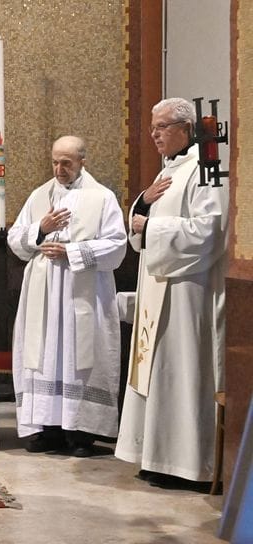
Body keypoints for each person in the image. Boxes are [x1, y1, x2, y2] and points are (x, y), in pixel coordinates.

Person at [116, 98, 229, 489]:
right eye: (152, 128)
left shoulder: (206, 170)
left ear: (185, 128)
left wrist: (150, 230)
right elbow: (140, 226)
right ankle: (158, 456)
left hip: (187, 292)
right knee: (159, 370)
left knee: (181, 371)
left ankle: (188, 463)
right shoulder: (172, 171)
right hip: (158, 289)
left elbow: (208, 231)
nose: (154, 135)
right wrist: (142, 206)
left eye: (162, 127)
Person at [8, 135, 127, 457]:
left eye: (67, 163)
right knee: (45, 355)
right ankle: (49, 429)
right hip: (43, 292)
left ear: (82, 161)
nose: (59, 169)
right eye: (55, 162)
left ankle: (82, 432)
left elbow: (117, 245)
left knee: (79, 358)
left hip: (82, 291)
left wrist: (73, 252)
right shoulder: (39, 196)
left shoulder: (102, 198)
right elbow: (16, 240)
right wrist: (41, 230)